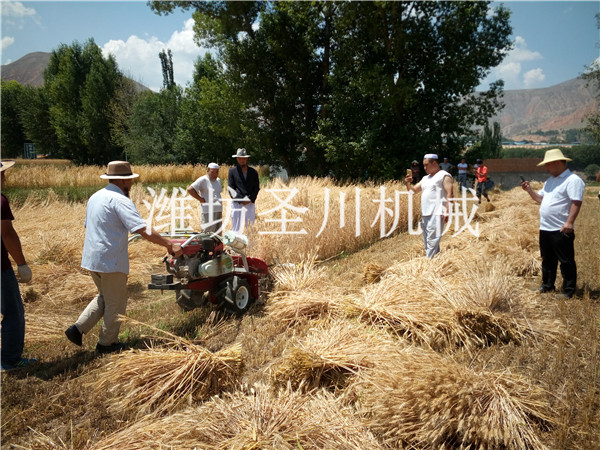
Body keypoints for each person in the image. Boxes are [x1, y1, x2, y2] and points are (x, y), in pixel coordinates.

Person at [65, 161, 182, 354]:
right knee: (116, 303)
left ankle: (77, 329)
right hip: (110, 261)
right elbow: (142, 229)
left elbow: (89, 225)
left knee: (105, 296)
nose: (131, 184)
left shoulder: (95, 197)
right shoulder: (120, 200)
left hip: (92, 259)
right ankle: (106, 344)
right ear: (122, 180)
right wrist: (169, 244)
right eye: (130, 180)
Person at [521, 149, 585, 299]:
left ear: (557, 163)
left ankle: (568, 290)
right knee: (548, 260)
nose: (546, 168)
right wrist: (529, 190)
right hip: (545, 227)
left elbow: (576, 202)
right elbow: (540, 199)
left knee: (566, 261)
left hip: (561, 228)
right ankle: (547, 285)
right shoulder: (550, 181)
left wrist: (569, 222)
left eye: (547, 164)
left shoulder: (573, 180)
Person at [1, 161, 36, 372]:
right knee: (13, 313)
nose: (4, 177)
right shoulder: (1, 201)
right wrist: (21, 263)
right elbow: (7, 235)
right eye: (2, 174)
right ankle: (10, 360)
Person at [405, 153, 453, 258]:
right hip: (425, 213)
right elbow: (413, 191)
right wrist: (408, 183)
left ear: (434, 163)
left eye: (426, 165)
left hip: (437, 212)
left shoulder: (444, 176)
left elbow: (450, 194)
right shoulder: (425, 178)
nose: (424, 168)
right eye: (423, 165)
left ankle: (428, 264)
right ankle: (436, 261)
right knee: (427, 241)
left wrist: (447, 211)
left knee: (432, 241)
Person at [228, 148, 260, 234]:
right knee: (236, 226)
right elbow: (231, 188)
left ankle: (250, 243)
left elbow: (256, 188)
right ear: (237, 159)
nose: (241, 160)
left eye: (243, 158)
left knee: (250, 226)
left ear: (246, 159)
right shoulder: (232, 171)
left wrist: (250, 199)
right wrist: (241, 200)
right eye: (239, 158)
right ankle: (235, 243)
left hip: (250, 203)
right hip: (237, 203)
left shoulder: (253, 172)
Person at [187, 162, 223, 234]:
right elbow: (190, 189)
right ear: (207, 171)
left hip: (218, 210)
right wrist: (200, 199)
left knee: (217, 233)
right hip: (208, 211)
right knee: (207, 232)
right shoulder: (203, 179)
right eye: (212, 172)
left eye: (216, 172)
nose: (215, 174)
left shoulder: (218, 180)